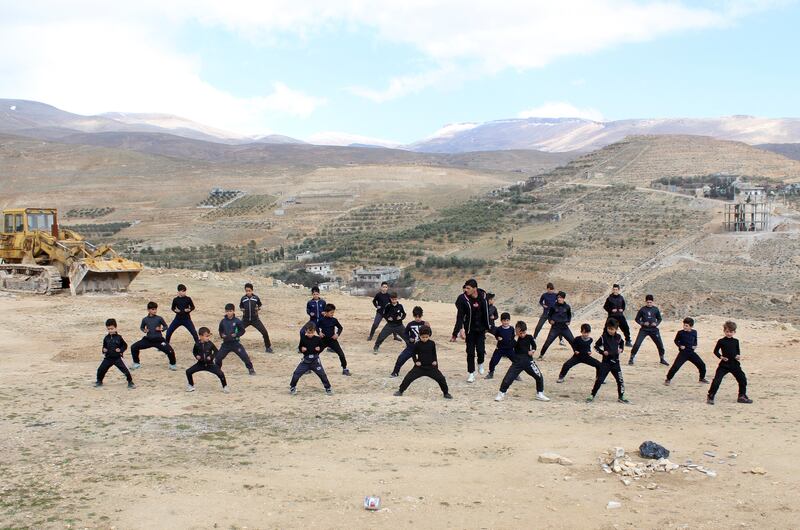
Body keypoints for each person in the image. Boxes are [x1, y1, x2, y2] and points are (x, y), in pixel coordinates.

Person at [494, 321, 549, 402]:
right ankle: (501, 393)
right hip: (518, 361)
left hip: (528, 361)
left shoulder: (529, 337)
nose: (522, 335)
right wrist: (516, 336)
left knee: (539, 376)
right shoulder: (514, 338)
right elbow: (510, 346)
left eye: (524, 332)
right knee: (508, 378)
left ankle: (540, 393)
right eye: (520, 333)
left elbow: (534, 345)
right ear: (517, 331)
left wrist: (532, 351)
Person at [394, 326, 452, 399]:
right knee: (408, 378)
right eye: (423, 337)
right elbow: (413, 354)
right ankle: (400, 391)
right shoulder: (417, 344)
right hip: (420, 367)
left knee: (441, 379)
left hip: (431, 367)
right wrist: (416, 362)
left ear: (429, 336)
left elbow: (434, 354)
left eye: (426, 337)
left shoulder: (432, 343)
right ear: (419, 336)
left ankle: (446, 393)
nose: (425, 339)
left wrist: (435, 362)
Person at [450, 279, 491, 382]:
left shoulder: (483, 297)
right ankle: (471, 373)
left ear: (475, 289)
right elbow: (460, 317)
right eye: (465, 288)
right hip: (470, 330)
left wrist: (489, 327)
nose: (466, 290)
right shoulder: (463, 299)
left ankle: (480, 363)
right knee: (470, 352)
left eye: (468, 288)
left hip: (481, 329)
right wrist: (457, 332)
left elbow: (486, 313)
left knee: (481, 350)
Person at [707, 321, 752, 404]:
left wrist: (738, 356)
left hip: (734, 364)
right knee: (717, 380)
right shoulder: (721, 341)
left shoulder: (736, 341)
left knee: (742, 379)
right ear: (724, 331)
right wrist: (721, 357)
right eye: (727, 331)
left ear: (734, 332)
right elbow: (715, 351)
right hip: (724, 365)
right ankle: (711, 396)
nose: (729, 334)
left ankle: (741, 396)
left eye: (731, 332)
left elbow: (737, 351)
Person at [587, 319, 629, 403]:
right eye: (608, 328)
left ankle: (621, 396)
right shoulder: (603, 337)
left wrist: (621, 349)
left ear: (616, 329)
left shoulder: (618, 337)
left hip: (616, 363)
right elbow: (596, 347)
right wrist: (603, 352)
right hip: (606, 363)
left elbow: (622, 343)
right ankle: (592, 395)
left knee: (620, 380)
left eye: (612, 329)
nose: (610, 330)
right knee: (599, 380)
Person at [130, 302, 177, 370]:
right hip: (148, 340)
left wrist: (161, 329)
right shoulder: (145, 319)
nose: (155, 311)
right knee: (133, 347)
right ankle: (136, 363)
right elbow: (142, 327)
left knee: (170, 351)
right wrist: (144, 330)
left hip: (159, 340)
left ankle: (172, 364)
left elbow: (166, 326)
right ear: (148, 310)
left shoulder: (159, 318)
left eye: (155, 309)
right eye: (153, 309)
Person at [290, 322, 333, 395]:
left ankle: (328, 388)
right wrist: (302, 349)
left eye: (312, 332)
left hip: (315, 361)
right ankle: (292, 387)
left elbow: (322, 347)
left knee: (322, 375)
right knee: (296, 373)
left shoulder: (318, 339)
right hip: (305, 361)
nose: (310, 334)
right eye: (308, 333)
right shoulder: (303, 339)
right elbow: (300, 347)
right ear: (305, 331)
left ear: (314, 331)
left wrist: (319, 348)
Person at [665, 317, 708, 385]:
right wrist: (680, 346)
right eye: (684, 325)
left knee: (702, 365)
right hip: (683, 353)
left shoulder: (694, 332)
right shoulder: (680, 333)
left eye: (686, 326)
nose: (684, 327)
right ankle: (668, 379)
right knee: (676, 366)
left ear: (691, 326)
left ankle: (702, 378)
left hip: (691, 353)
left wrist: (695, 345)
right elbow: (676, 341)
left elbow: (695, 340)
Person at [215, 303, 255, 375]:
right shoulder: (223, 321)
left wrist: (236, 335)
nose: (229, 313)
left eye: (230, 311)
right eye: (227, 311)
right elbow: (220, 330)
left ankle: (250, 369)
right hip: (226, 344)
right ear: (225, 312)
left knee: (244, 356)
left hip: (235, 343)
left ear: (233, 311)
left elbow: (242, 330)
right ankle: (217, 369)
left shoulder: (237, 321)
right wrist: (222, 335)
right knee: (218, 357)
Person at [186, 327, 229, 393]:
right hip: (200, 364)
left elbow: (216, 351)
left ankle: (225, 386)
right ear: (200, 336)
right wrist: (196, 356)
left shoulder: (210, 344)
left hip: (210, 364)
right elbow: (194, 352)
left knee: (221, 373)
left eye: (209, 336)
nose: (208, 338)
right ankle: (191, 385)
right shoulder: (197, 344)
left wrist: (211, 357)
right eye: (206, 336)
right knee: (188, 371)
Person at [94, 318, 135, 388]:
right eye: (108, 329)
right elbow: (104, 347)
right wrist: (104, 350)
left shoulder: (119, 337)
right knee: (101, 369)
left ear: (115, 328)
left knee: (125, 370)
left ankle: (130, 382)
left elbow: (125, 345)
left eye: (112, 329)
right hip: (108, 358)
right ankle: (99, 381)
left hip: (117, 358)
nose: (110, 330)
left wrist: (121, 350)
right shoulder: (106, 338)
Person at [629, 294, 668, 366]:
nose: (649, 304)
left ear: (652, 302)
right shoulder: (642, 309)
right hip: (644, 329)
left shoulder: (655, 309)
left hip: (654, 330)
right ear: (645, 302)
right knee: (637, 344)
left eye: (650, 302)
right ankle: (631, 358)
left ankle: (662, 359)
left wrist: (656, 323)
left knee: (660, 345)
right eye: (648, 302)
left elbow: (659, 319)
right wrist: (642, 323)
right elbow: (637, 319)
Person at [390, 306, 428, 377]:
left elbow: (429, 334)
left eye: (419, 317)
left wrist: (428, 329)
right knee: (401, 358)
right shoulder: (410, 324)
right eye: (416, 316)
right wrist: (409, 338)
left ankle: (428, 372)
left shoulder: (425, 324)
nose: (417, 318)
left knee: (427, 359)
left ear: (421, 315)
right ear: (413, 316)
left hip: (422, 347)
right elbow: (405, 333)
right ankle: (395, 372)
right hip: (412, 346)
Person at [317, 303, 351, 376]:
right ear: (326, 312)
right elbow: (316, 327)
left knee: (341, 354)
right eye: (331, 312)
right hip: (323, 340)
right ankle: (308, 367)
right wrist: (319, 332)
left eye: (333, 312)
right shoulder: (321, 320)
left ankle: (344, 369)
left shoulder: (334, 320)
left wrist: (337, 334)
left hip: (332, 340)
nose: (332, 314)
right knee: (315, 353)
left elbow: (340, 327)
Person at [538, 291, 574, 359]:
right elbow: (549, 315)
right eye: (558, 297)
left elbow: (569, 315)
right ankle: (541, 355)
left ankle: (578, 355)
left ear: (563, 298)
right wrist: (550, 321)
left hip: (564, 328)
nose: (559, 299)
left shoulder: (567, 307)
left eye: (561, 298)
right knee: (548, 342)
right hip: (555, 328)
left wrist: (569, 321)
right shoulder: (553, 306)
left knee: (573, 341)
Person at [240, 282, 273, 353]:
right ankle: (232, 346)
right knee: (236, 331)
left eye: (249, 291)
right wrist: (242, 309)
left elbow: (260, 305)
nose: (248, 292)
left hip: (255, 319)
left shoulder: (256, 298)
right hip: (245, 319)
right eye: (246, 291)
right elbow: (241, 306)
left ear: (252, 290)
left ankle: (268, 347)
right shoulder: (243, 298)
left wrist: (258, 309)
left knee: (264, 332)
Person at [485, 312, 516, 380]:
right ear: (501, 321)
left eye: (507, 320)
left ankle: (515, 374)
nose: (505, 322)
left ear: (509, 321)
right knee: (493, 361)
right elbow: (496, 335)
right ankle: (491, 373)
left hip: (509, 349)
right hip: (500, 348)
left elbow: (513, 337)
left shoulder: (511, 329)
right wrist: (498, 338)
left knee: (516, 361)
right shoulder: (498, 329)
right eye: (504, 320)